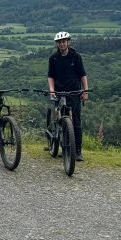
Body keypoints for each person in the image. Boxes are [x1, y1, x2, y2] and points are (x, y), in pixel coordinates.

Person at [48, 31, 89, 161]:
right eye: (59, 42)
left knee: (76, 122)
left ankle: (77, 151)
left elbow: (82, 74)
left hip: (74, 92)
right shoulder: (53, 58)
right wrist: (52, 90)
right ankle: (62, 145)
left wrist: (85, 91)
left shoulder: (76, 56)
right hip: (59, 92)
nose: (61, 44)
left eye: (64, 41)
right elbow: (51, 76)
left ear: (68, 42)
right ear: (57, 44)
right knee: (59, 119)